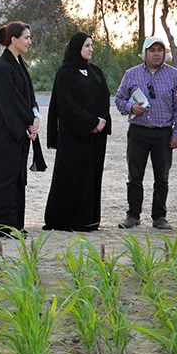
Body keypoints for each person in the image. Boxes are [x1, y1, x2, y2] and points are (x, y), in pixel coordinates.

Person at [0, 21, 46, 237]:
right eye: (26, 37)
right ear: (14, 39)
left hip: (19, 133)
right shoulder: (2, 66)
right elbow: (8, 103)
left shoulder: (19, 63)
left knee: (15, 178)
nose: (29, 42)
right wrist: (25, 126)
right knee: (1, 178)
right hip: (2, 135)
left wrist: (36, 117)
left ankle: (13, 224)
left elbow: (28, 97)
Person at [114, 37, 177, 230]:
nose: (156, 53)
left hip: (163, 133)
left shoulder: (174, 75)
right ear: (144, 53)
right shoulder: (131, 74)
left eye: (160, 50)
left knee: (162, 176)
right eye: (152, 50)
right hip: (138, 131)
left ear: (164, 53)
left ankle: (159, 216)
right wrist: (131, 107)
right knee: (134, 175)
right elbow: (119, 99)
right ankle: (133, 215)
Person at [43, 32, 112, 232]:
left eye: (91, 45)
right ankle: (64, 221)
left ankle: (88, 220)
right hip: (74, 136)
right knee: (70, 177)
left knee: (92, 177)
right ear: (76, 48)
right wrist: (90, 122)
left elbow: (104, 98)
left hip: (96, 137)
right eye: (87, 45)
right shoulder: (65, 73)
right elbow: (66, 104)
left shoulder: (96, 72)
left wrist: (101, 121)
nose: (91, 49)